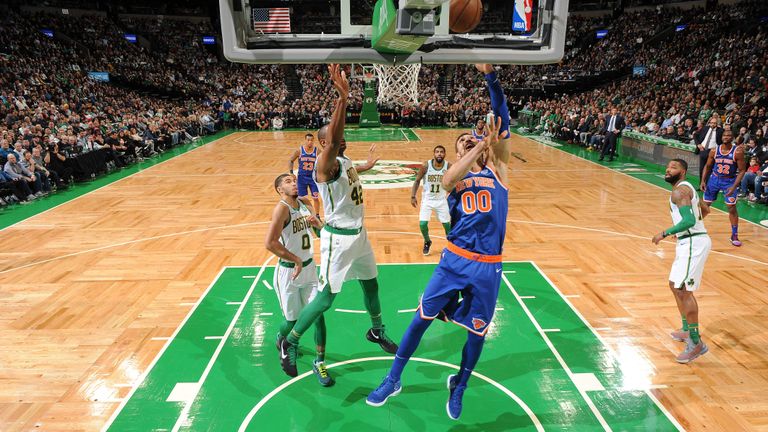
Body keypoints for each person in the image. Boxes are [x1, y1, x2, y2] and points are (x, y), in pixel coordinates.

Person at [367, 64, 511, 420]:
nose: (468, 142)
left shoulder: (499, 171)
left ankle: (459, 384)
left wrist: (491, 79)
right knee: (421, 319)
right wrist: (475, 149)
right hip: (455, 260)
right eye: (462, 142)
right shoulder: (454, 176)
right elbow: (447, 180)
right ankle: (394, 377)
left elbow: (503, 120)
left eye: (472, 139)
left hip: (488, 266)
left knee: (477, 334)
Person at [280, 65, 397, 379]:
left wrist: (368, 166)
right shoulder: (324, 162)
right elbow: (333, 144)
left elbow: (349, 167)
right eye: (334, 138)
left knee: (371, 283)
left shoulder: (343, 161)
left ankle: (377, 330)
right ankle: (289, 342)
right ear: (324, 144)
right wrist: (343, 99)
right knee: (326, 298)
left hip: (359, 236)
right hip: (338, 239)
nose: (341, 140)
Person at [265, 173, 333, 386]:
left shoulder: (305, 203)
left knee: (318, 314)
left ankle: (320, 362)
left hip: (310, 269)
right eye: (287, 181)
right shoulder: (281, 209)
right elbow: (270, 243)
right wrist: (296, 260)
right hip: (289, 273)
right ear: (279, 190)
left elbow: (320, 233)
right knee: (292, 322)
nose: (293, 182)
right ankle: (282, 339)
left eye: (294, 180)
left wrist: (319, 225)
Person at [652, 159, 711, 363]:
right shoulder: (687, 189)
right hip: (689, 241)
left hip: (694, 243)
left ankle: (696, 343)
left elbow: (689, 220)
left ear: (683, 172)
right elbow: (705, 210)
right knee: (674, 285)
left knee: (684, 291)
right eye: (668, 166)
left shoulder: (679, 192)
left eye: (674, 167)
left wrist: (665, 232)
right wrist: (684, 230)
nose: (668, 169)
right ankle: (687, 330)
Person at [700, 130, 747, 246]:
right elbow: (708, 165)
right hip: (714, 180)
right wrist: (703, 180)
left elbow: (742, 171)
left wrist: (734, 186)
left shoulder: (738, 151)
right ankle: (691, 228)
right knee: (705, 206)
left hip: (729, 181)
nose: (726, 137)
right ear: (721, 137)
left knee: (731, 208)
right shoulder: (714, 150)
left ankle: (734, 234)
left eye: (729, 135)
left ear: (733, 138)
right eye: (724, 135)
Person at [410, 145, 451, 255]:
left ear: (445, 154)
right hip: (427, 200)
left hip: (441, 200)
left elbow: (454, 180)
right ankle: (427, 241)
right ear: (434, 154)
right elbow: (417, 181)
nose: (439, 154)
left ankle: (452, 246)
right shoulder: (426, 165)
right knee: (423, 224)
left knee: (447, 225)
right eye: (437, 152)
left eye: (441, 152)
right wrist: (413, 196)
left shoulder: (448, 166)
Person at [288, 133, 321, 217]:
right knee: (301, 198)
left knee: (315, 198)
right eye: (308, 140)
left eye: (311, 140)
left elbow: (324, 161)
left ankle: (317, 215)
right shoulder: (299, 150)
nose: (310, 142)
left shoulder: (317, 151)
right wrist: (291, 173)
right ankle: (301, 215)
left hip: (313, 178)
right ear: (305, 140)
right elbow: (291, 160)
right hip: (302, 178)